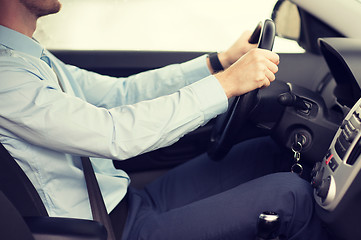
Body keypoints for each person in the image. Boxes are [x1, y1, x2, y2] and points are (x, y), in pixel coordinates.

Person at [0, 0, 330, 239]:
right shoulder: (6, 77)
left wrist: (217, 63)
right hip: (110, 230)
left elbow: (120, 94)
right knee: (291, 197)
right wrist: (227, 84)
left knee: (266, 153)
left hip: (127, 201)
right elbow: (113, 134)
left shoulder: (32, 58)